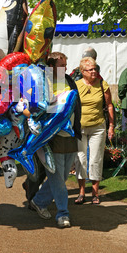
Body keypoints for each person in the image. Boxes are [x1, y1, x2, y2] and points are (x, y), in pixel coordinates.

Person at [29, 52, 82, 228]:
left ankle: (38, 201)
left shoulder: (68, 80)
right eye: (61, 65)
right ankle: (62, 214)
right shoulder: (45, 83)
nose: (65, 68)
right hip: (52, 137)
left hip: (70, 134)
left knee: (63, 175)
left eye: (65, 65)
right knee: (57, 178)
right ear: (51, 66)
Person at [74, 57, 114, 205]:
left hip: (98, 127)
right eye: (90, 69)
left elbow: (109, 105)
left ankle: (95, 193)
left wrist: (111, 126)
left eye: (95, 69)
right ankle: (81, 192)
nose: (94, 72)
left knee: (96, 159)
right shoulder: (76, 85)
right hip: (80, 128)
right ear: (82, 71)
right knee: (80, 159)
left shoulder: (103, 84)